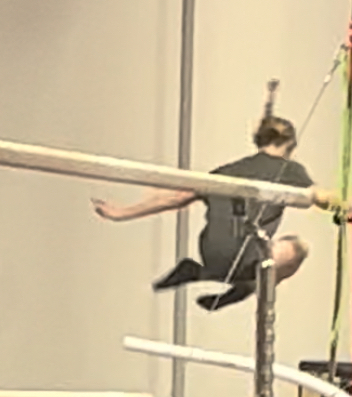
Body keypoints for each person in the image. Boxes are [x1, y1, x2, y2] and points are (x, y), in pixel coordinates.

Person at [92, 114, 318, 312]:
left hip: (211, 255)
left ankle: (202, 272)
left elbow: (177, 197)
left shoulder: (226, 170)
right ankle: (248, 286)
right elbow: (319, 196)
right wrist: (346, 206)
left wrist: (122, 213)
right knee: (298, 248)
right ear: (289, 143)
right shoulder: (290, 170)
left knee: (254, 250)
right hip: (245, 259)